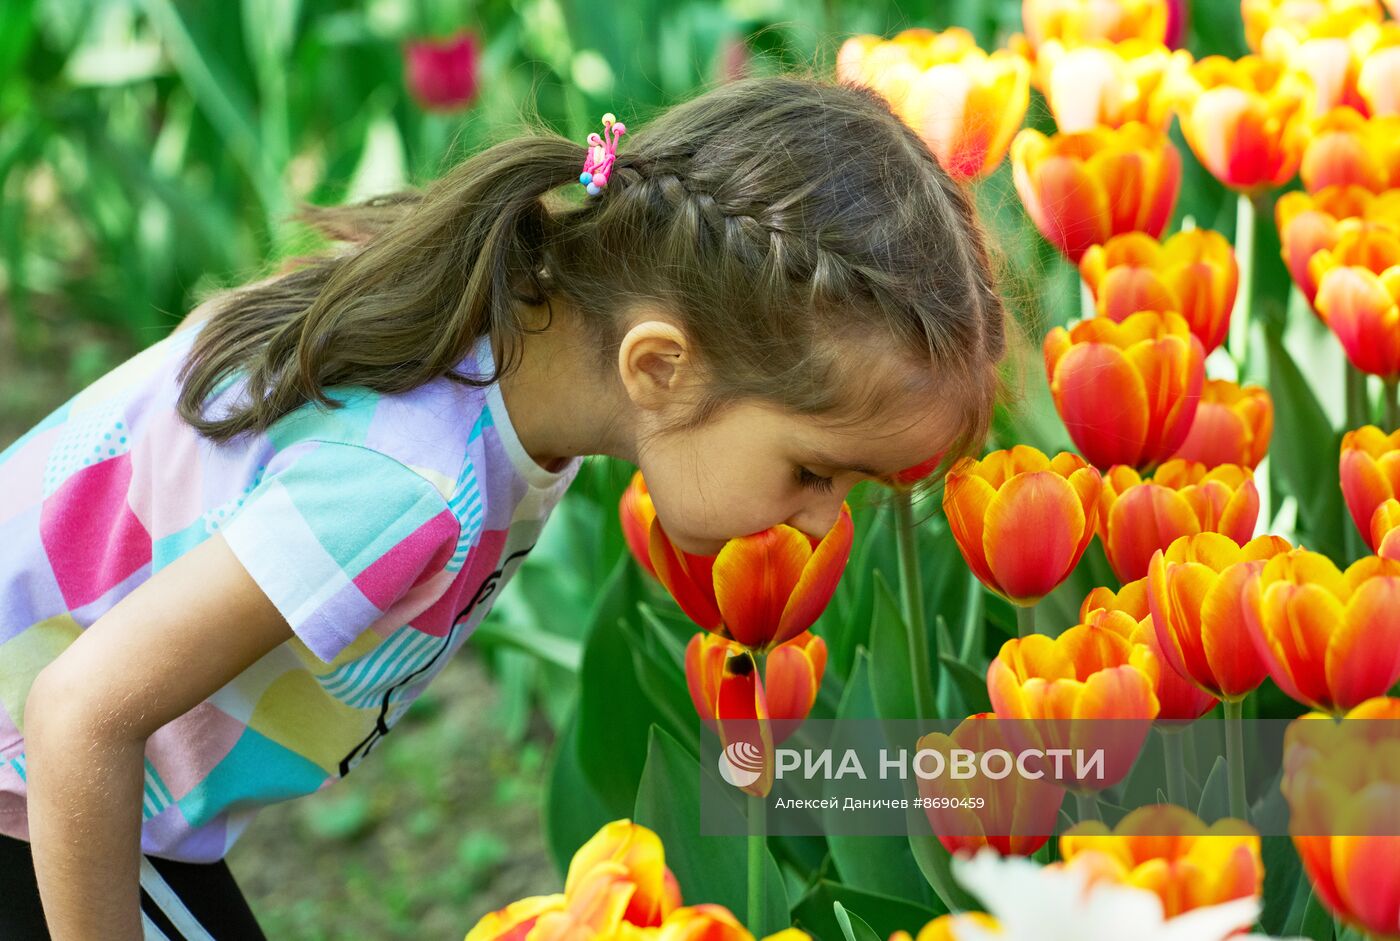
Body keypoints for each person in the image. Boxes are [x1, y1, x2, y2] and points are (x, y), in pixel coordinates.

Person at [0, 70, 1008, 939]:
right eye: (813, 469)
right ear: (658, 365)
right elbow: (78, 711)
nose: (824, 522)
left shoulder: (503, 349)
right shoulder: (406, 488)